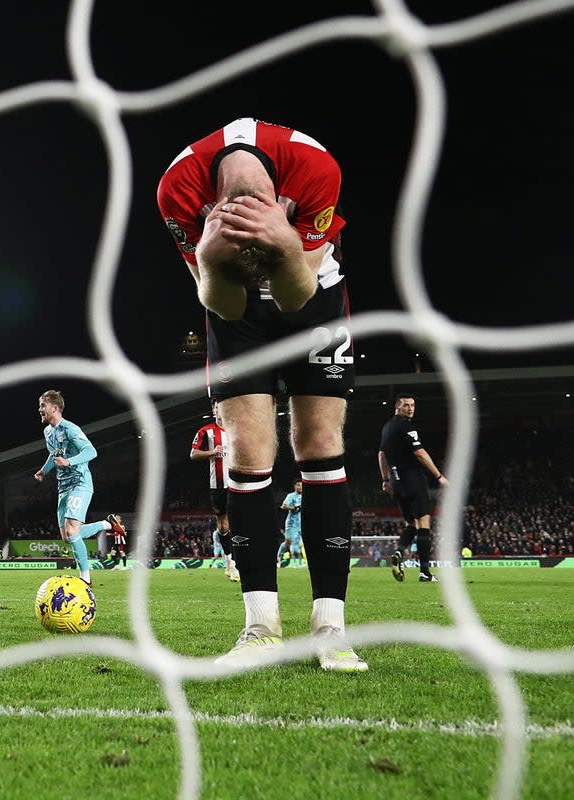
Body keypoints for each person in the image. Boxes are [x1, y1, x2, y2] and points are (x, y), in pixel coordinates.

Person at [157, 117, 365, 672]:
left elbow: (296, 296)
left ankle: (330, 629)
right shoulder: (177, 188)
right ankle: (259, 629)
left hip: (311, 288)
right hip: (233, 307)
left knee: (319, 442)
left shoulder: (317, 167)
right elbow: (226, 305)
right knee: (247, 450)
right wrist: (209, 260)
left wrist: (282, 246)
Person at [33, 389, 126, 586]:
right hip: (63, 487)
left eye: (43, 405)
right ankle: (107, 524)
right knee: (67, 537)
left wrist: (69, 462)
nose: (39, 409)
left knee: (73, 531)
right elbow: (54, 454)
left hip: (80, 483)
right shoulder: (48, 431)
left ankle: (86, 578)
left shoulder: (70, 429)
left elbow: (91, 451)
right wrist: (44, 471)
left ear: (55, 408)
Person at [379, 394, 448, 582]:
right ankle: (425, 573)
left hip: (396, 482)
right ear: (397, 407)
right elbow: (419, 452)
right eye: (406, 405)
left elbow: (381, 455)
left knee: (411, 524)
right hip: (412, 479)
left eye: (413, 405)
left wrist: (386, 480)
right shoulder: (406, 426)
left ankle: (400, 552)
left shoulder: (387, 427)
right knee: (424, 524)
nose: (410, 409)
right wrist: (439, 476)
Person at [190, 400, 239, 581]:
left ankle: (236, 562)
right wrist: (212, 452)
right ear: (214, 410)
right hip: (218, 485)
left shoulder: (237, 430)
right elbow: (193, 454)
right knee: (224, 524)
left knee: (238, 521)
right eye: (218, 407)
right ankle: (230, 562)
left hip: (237, 482)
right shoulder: (206, 431)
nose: (221, 410)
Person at [277, 480, 305, 568]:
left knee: (288, 543)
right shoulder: (291, 496)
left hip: (302, 523)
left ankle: (278, 557)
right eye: (298, 485)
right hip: (292, 523)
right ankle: (297, 564)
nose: (300, 487)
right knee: (294, 542)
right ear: (294, 486)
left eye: (301, 485)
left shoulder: (306, 496)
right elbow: (283, 506)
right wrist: (294, 508)